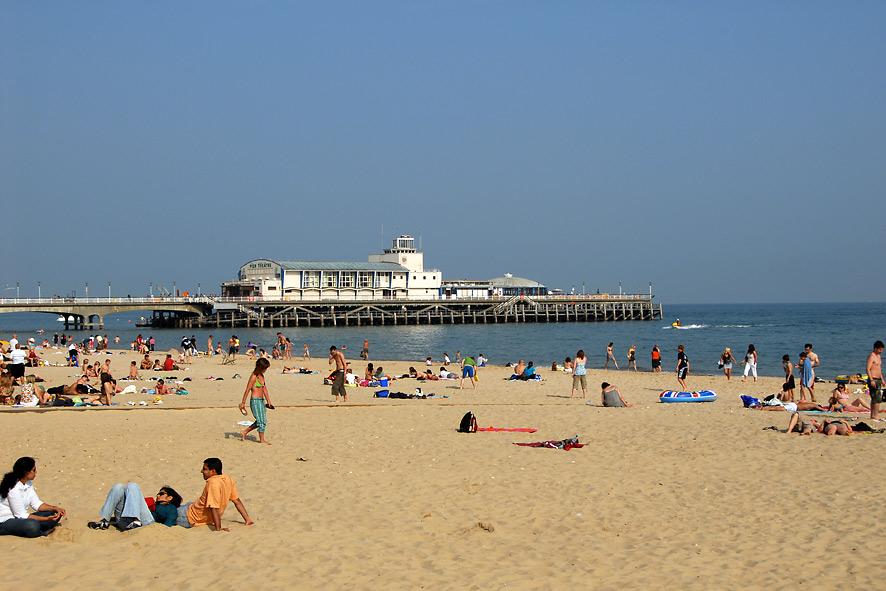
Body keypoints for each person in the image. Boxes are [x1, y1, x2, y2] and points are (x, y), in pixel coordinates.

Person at [0, 457, 65, 537]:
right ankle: (41, 532)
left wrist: (55, 508)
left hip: (21, 519)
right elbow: (21, 515)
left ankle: (39, 527)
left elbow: (37, 504)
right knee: (32, 525)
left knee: (53, 514)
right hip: (5, 521)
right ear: (26, 472)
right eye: (34, 470)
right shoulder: (14, 489)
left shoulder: (28, 482)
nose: (36, 472)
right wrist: (47, 519)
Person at [88, 482, 183, 531]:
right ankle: (105, 521)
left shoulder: (171, 509)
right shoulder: (153, 504)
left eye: (161, 493)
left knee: (132, 485)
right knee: (119, 487)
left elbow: (168, 526)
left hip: (146, 523)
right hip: (126, 522)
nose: (157, 495)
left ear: (170, 497)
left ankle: (136, 521)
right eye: (158, 493)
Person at [239, 358, 273, 445]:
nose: (265, 370)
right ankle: (262, 440)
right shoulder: (253, 377)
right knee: (261, 421)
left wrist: (268, 401)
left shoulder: (261, 376)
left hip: (261, 401)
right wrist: (243, 403)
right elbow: (247, 390)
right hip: (255, 401)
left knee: (261, 420)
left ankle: (245, 432)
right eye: (265, 368)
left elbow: (264, 389)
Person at [867, 340, 884, 422]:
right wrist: (871, 380)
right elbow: (868, 369)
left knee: (875, 398)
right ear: (875, 348)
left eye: (882, 350)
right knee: (876, 398)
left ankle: (873, 415)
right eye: (880, 349)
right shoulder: (871, 356)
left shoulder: (878, 357)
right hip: (873, 378)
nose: (881, 351)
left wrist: (883, 380)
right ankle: (875, 416)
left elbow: (879, 369)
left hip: (878, 379)